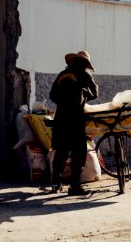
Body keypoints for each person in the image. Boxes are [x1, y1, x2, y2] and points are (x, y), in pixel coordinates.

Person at [49, 50, 99, 196]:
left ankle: (56, 183)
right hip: (76, 118)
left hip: (60, 117)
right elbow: (95, 93)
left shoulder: (62, 75)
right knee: (78, 153)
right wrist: (83, 95)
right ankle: (75, 186)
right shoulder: (84, 74)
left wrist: (64, 102)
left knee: (62, 151)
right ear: (85, 63)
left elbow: (52, 95)